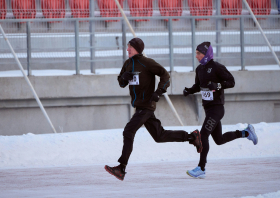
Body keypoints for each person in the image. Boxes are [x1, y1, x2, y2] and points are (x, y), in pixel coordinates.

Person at [104, 37, 203, 181]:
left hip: (147, 105)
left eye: (129, 47)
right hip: (139, 106)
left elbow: (165, 75)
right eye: (127, 47)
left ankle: (121, 168)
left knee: (128, 131)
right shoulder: (127, 64)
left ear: (136, 48)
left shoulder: (147, 62)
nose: (127, 49)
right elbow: (121, 83)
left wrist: (158, 92)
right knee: (159, 136)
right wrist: (124, 78)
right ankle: (192, 137)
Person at [183, 41, 258, 179]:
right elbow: (198, 86)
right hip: (208, 108)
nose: (196, 56)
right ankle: (246, 133)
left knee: (203, 134)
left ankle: (201, 168)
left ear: (205, 54)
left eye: (198, 53)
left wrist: (217, 85)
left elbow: (231, 82)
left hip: (217, 109)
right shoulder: (199, 69)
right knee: (219, 139)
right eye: (196, 53)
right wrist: (189, 90)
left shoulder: (217, 67)